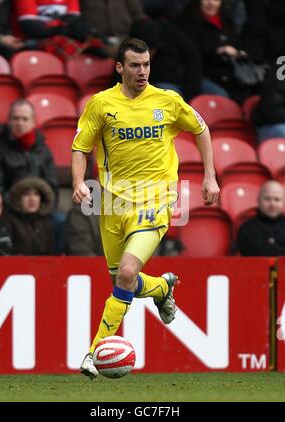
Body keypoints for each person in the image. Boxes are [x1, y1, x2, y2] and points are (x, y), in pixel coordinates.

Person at [71, 38, 220, 378]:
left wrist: (209, 176)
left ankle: (94, 352)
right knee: (122, 280)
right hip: (112, 203)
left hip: (156, 198)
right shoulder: (101, 104)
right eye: (135, 65)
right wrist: (79, 182)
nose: (142, 71)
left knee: (125, 273)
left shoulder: (167, 101)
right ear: (119, 68)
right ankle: (162, 288)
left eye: (147, 65)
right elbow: (80, 147)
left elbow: (201, 128)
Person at [0, 99, 58, 197]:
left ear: (33, 122)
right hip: (9, 209)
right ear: (9, 121)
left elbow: (52, 186)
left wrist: (44, 207)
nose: (20, 123)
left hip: (41, 208)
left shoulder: (43, 150)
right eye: (15, 118)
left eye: (25, 119)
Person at [6, 177, 56, 255]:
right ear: (18, 198)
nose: (32, 199)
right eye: (26, 194)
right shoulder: (9, 220)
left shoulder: (46, 222)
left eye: (36, 194)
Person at [237, 181, 285, 256]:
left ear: (283, 202)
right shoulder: (247, 229)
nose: (272, 204)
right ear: (258, 200)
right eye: (267, 199)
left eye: (277, 199)